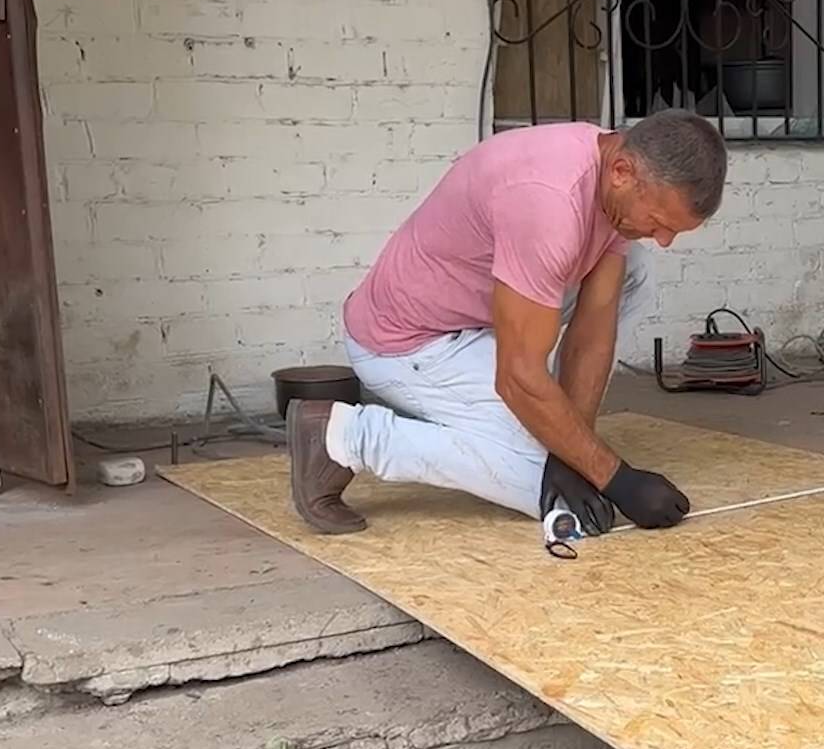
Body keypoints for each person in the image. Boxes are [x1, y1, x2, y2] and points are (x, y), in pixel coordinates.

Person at [285, 109, 728, 538]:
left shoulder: (616, 178)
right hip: (408, 342)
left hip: (479, 318)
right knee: (545, 487)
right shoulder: (548, 201)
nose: (664, 239)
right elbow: (517, 376)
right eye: (658, 222)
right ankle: (342, 437)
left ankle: (515, 428)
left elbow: (592, 332)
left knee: (636, 272)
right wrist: (615, 478)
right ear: (622, 172)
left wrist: (574, 455)